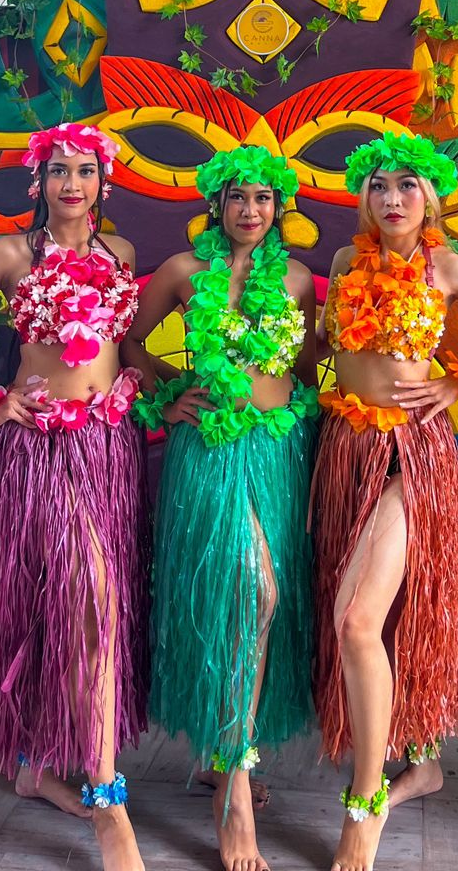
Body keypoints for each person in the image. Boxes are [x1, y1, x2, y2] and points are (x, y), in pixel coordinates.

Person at [0, 121, 149, 871]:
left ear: (104, 183)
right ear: (37, 184)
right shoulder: (13, 253)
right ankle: (108, 801)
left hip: (108, 449)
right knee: (88, 602)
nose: (71, 185)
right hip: (41, 448)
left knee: (82, 608)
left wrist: (162, 394)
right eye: (57, 173)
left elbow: (123, 349)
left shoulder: (122, 257)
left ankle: (39, 765)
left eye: (84, 171)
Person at [312, 132, 458, 871]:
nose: (392, 200)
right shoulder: (341, 263)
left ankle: (365, 807)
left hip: (409, 456)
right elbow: (325, 349)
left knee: (358, 621)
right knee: (380, 615)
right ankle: (419, 760)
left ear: (431, 196)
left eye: (406, 186)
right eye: (378, 187)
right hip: (345, 449)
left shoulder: (450, 266)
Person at [126, 145, 318, 871]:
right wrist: (164, 398)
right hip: (206, 453)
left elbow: (304, 367)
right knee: (238, 591)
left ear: (279, 209)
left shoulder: (297, 281)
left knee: (262, 597)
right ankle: (232, 782)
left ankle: (230, 750)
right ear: (217, 203)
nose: (249, 211)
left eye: (263, 199)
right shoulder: (184, 272)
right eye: (237, 197)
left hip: (274, 453)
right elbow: (129, 340)